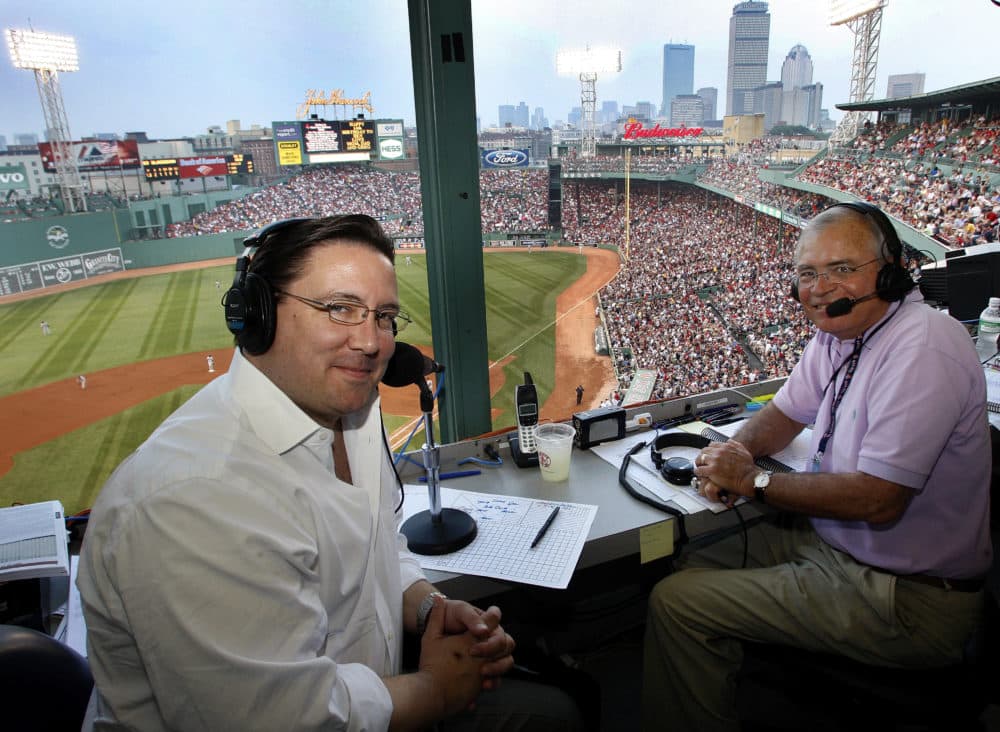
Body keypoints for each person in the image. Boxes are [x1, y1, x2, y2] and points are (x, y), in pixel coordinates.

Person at [78, 215, 581, 732]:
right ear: (257, 313)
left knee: (560, 711)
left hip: (379, 698)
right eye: (339, 308)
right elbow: (286, 721)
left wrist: (428, 607)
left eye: (384, 315)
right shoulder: (194, 498)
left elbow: (374, 556)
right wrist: (434, 692)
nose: (371, 342)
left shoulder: (354, 412)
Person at [642, 203, 992, 732]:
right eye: (808, 273)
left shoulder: (924, 344)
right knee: (696, 554)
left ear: (892, 269)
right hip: (838, 547)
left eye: (843, 269)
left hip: (907, 597)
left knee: (678, 603)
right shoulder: (840, 333)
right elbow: (784, 412)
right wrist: (738, 451)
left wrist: (755, 481)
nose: (821, 287)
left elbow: (879, 499)